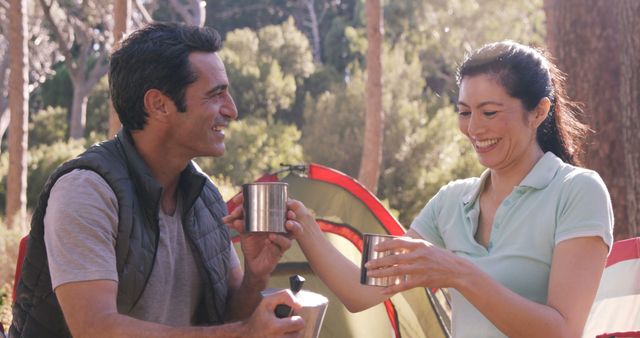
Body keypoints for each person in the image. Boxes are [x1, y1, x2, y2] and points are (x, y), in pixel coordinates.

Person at [226, 40, 614, 337]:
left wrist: (459, 273)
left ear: (540, 112)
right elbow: (362, 294)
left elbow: (562, 330)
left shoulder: (577, 192)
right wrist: (305, 226)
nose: (474, 129)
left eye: (490, 113)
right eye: (464, 113)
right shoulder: (451, 202)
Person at [10, 23, 305, 338]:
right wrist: (244, 333)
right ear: (159, 105)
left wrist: (255, 278)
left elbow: (228, 319)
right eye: (216, 94)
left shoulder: (205, 197)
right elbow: (95, 328)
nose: (231, 110)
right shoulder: (86, 190)